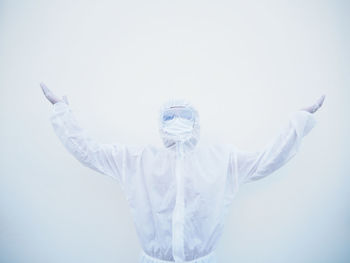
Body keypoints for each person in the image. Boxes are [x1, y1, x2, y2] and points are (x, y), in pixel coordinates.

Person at [41, 82, 325, 263]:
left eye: (184, 117)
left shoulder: (221, 160)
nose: (177, 123)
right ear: (160, 123)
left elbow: (267, 160)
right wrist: (63, 113)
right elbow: (90, 152)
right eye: (170, 117)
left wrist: (299, 121)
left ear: (196, 123)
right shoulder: (137, 160)